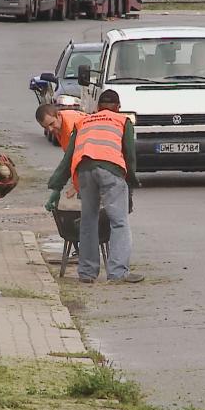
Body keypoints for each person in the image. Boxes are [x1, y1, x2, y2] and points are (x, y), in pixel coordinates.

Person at [44, 90, 144, 284]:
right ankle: (117, 272)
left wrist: (56, 188)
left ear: (98, 108)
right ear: (118, 107)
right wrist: (131, 181)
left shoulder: (84, 122)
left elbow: (68, 157)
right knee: (119, 221)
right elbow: (130, 155)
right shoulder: (122, 121)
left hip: (85, 171)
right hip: (110, 170)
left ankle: (87, 273)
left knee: (88, 221)